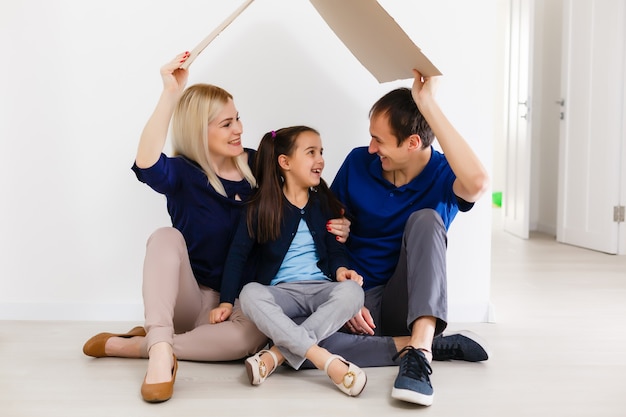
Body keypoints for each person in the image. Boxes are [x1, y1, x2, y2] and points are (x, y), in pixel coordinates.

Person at [81, 52, 351, 403]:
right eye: (225, 124)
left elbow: (303, 185)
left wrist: (335, 224)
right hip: (191, 297)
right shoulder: (183, 173)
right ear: (199, 129)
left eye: (237, 118)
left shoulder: (260, 164)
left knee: (244, 343)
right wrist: (170, 94)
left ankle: (141, 344)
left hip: (241, 302)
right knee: (165, 237)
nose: (238, 128)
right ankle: (161, 352)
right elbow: (146, 162)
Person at [314, 69, 490, 406]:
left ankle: (419, 354)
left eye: (379, 140)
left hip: (404, 302)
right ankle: (419, 342)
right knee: (305, 346)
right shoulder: (358, 162)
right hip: (356, 300)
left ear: (412, 143)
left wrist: (428, 104)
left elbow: (479, 183)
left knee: (426, 220)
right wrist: (346, 294)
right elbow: (327, 232)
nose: (370, 147)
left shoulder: (443, 175)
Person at [213, 126, 368, 397]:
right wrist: (226, 301)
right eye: (311, 153)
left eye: (321, 152)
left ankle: (274, 356)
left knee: (354, 291)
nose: (320, 159)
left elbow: (335, 252)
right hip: (281, 292)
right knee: (249, 293)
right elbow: (237, 256)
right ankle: (325, 360)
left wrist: (342, 270)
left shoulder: (325, 203)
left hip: (321, 288)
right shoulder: (260, 206)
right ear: (285, 162)